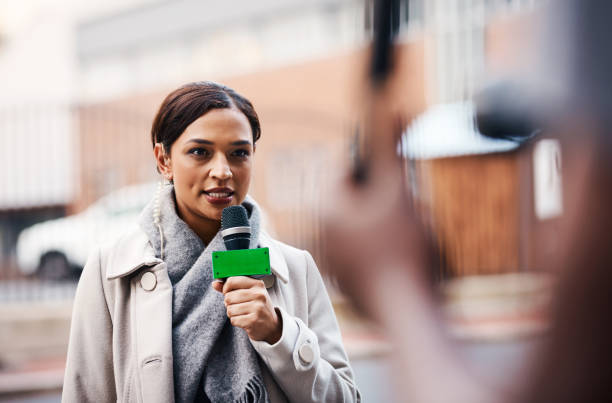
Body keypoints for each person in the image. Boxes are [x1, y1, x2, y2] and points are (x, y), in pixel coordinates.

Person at [61, 81, 360, 403]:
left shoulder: (295, 268)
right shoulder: (111, 270)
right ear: (164, 160)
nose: (222, 171)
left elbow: (345, 397)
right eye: (200, 152)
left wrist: (277, 333)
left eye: (239, 153)